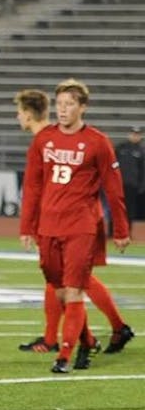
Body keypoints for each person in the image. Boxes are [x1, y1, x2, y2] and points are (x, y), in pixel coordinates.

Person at [20, 79, 131, 374]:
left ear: (83, 107)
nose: (63, 110)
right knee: (58, 292)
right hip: (48, 226)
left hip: (81, 227)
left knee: (74, 291)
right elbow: (32, 186)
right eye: (59, 104)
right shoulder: (44, 140)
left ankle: (64, 356)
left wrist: (121, 229)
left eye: (70, 104)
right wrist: (27, 226)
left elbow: (114, 188)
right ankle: (88, 340)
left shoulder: (97, 142)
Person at [114, 125, 144, 228]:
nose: (135, 136)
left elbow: (143, 170)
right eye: (133, 134)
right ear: (129, 135)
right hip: (118, 183)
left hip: (132, 184)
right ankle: (113, 231)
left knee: (130, 209)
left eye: (137, 134)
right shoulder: (121, 147)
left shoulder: (142, 151)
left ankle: (127, 230)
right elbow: (113, 164)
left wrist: (141, 186)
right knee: (116, 207)